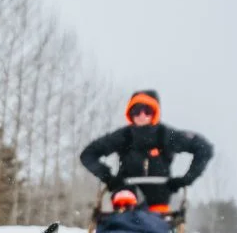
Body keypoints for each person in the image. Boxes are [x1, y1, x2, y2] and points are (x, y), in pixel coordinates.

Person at [80, 89, 213, 212]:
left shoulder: (167, 135)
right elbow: (88, 154)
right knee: (121, 226)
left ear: (155, 113)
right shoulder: (124, 136)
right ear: (130, 113)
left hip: (158, 206)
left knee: (153, 230)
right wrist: (109, 179)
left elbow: (204, 148)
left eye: (147, 110)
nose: (142, 115)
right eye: (136, 110)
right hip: (126, 202)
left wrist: (185, 180)